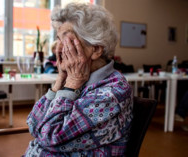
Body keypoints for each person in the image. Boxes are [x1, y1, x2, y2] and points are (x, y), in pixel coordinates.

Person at [25, 3, 133, 156]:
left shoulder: (114, 92)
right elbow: (33, 124)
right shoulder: (77, 78)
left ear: (95, 50)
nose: (58, 49)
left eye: (67, 40)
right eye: (58, 40)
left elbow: (49, 136)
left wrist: (72, 84)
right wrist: (60, 81)